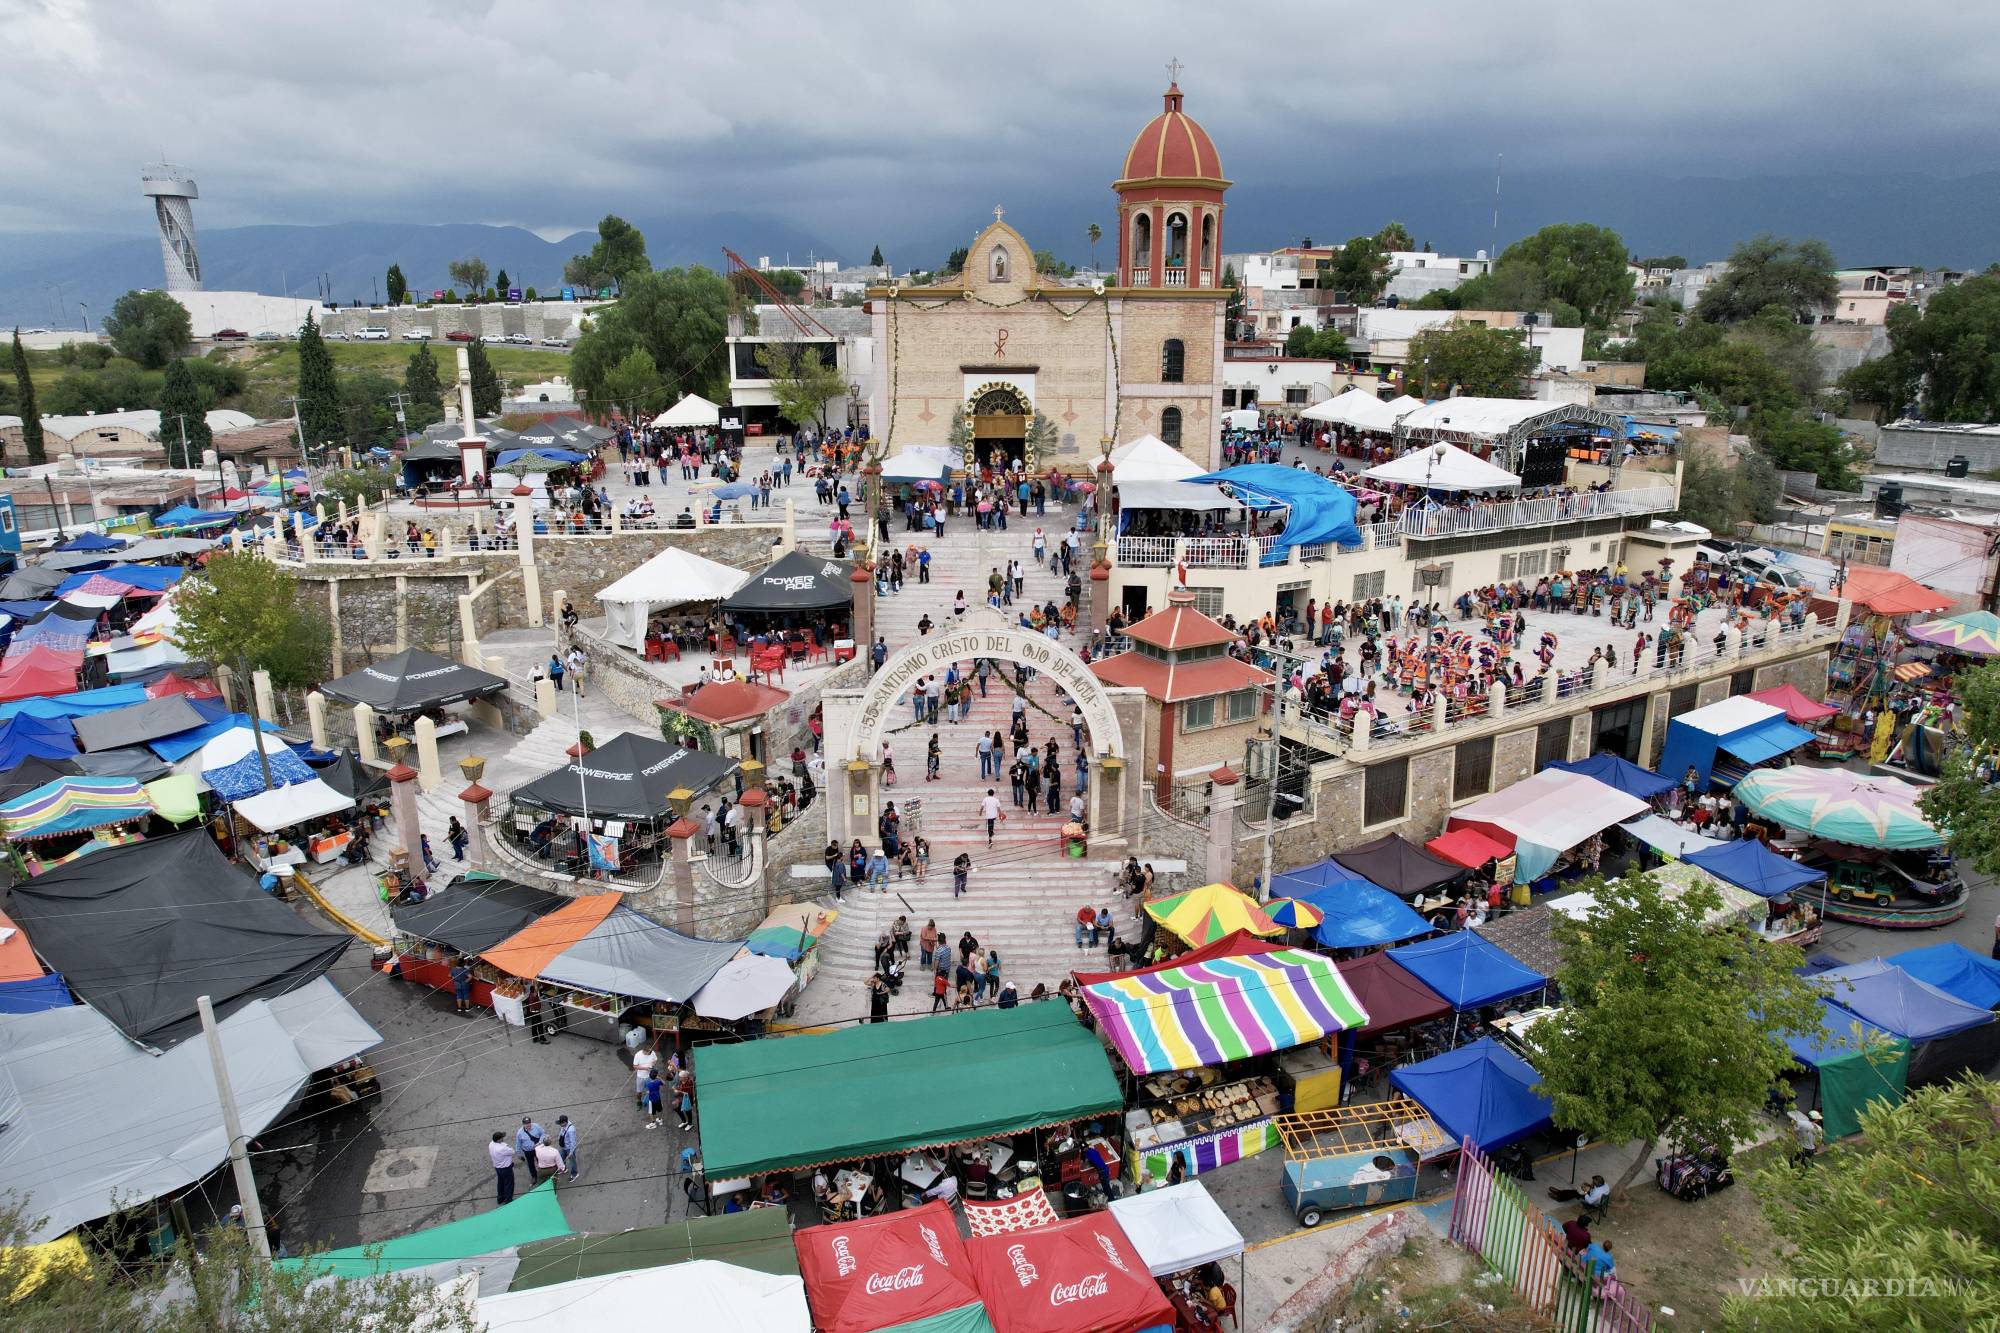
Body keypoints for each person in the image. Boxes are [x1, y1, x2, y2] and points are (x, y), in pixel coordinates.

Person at [489, 1131, 517, 1205]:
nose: (503, 1139)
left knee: (500, 1183)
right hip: (506, 1168)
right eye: (502, 1138)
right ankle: (508, 1200)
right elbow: (512, 1151)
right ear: (498, 1140)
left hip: (497, 1167)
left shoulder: (491, 1144)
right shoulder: (502, 1148)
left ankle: (500, 1198)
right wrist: (506, 1145)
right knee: (509, 1184)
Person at [632, 1039, 659, 1114]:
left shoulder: (652, 1052)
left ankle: (648, 1101)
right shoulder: (638, 1055)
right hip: (640, 1076)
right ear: (644, 1051)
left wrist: (652, 1064)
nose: (650, 1053)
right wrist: (645, 1068)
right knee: (639, 1092)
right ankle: (639, 1102)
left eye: (651, 1052)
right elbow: (635, 1066)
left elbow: (655, 1059)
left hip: (649, 1076)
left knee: (650, 1090)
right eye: (649, 1053)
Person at [556, 1114, 580, 1181]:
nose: (560, 1125)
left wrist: (571, 1152)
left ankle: (575, 1174)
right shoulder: (564, 1124)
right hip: (564, 1146)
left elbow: (573, 1142)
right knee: (561, 1158)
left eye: (561, 1123)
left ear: (565, 1122)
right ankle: (564, 1169)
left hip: (569, 1148)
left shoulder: (571, 1130)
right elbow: (561, 1131)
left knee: (572, 1161)